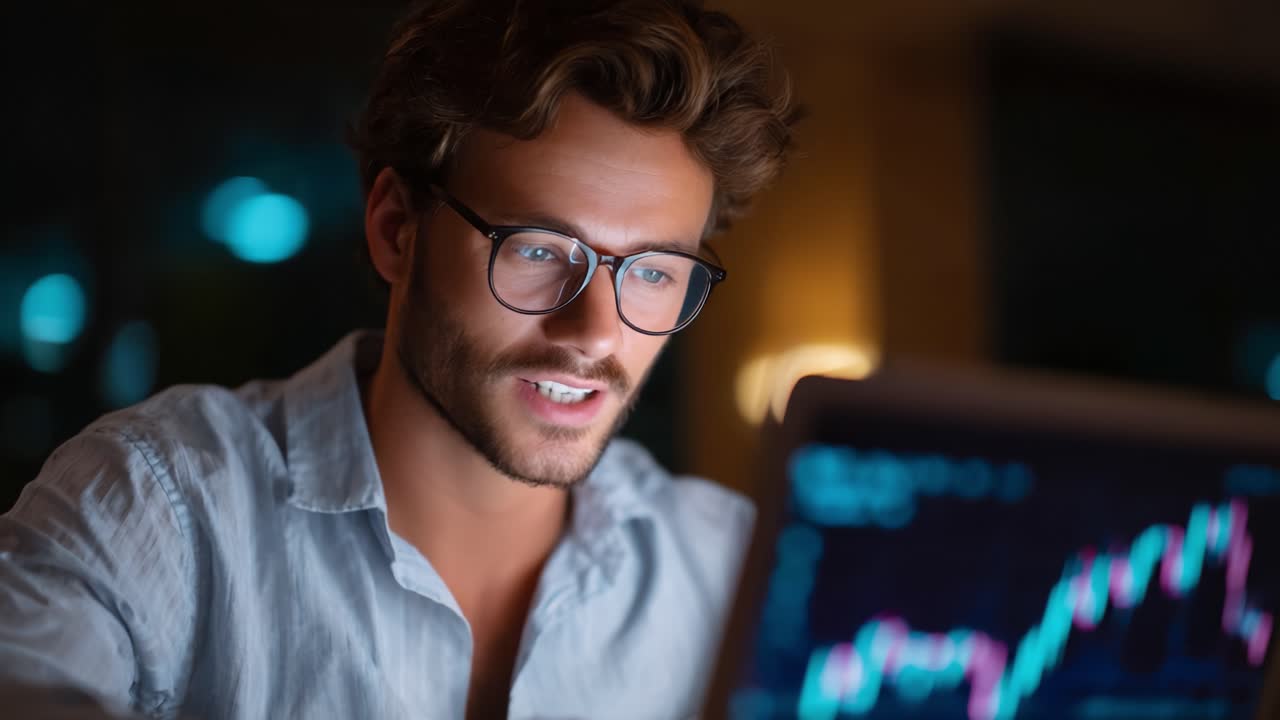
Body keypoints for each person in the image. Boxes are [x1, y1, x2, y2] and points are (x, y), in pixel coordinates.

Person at [0, 1, 799, 718]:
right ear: (395, 229)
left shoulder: (736, 568)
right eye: (538, 250)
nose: (593, 331)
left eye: (653, 271)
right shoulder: (159, 507)